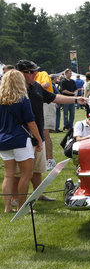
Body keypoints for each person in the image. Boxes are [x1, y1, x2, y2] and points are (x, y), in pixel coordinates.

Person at [14, 60, 85, 203]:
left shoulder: (36, 87)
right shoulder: (14, 89)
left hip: (37, 134)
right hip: (21, 136)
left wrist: (76, 100)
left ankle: (38, 194)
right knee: (19, 173)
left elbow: (54, 97)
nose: (35, 74)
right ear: (21, 73)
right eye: (31, 72)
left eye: (35, 72)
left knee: (38, 169)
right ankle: (15, 200)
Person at [0, 70, 43, 213]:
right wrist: (38, 139)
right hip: (20, 140)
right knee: (26, 175)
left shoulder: (1, 100)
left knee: (8, 175)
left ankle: (7, 207)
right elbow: (31, 122)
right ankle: (22, 207)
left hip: (4, 141)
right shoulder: (23, 99)